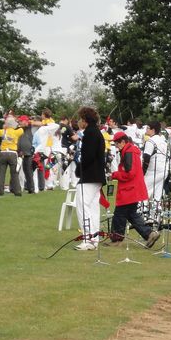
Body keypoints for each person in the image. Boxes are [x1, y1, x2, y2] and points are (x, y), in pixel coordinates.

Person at [108, 131, 160, 248]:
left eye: (117, 143)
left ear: (123, 141)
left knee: (119, 214)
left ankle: (116, 240)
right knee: (131, 214)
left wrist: (115, 175)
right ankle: (149, 234)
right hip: (134, 188)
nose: (116, 146)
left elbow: (129, 173)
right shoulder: (131, 150)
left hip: (129, 189)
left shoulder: (128, 152)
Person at [74, 106, 107, 250]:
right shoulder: (96, 132)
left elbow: (88, 156)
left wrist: (78, 168)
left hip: (89, 175)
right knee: (93, 207)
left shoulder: (90, 133)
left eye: (81, 119)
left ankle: (88, 238)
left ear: (85, 120)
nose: (79, 122)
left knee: (82, 206)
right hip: (96, 175)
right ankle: (94, 238)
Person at [0, 114, 24, 197]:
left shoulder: (3, 131)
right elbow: (21, 128)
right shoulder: (17, 131)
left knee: (1, 173)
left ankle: (0, 190)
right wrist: (15, 122)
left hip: (3, 153)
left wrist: (4, 126)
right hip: (13, 153)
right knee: (14, 173)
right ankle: (17, 191)